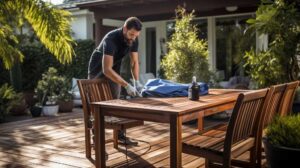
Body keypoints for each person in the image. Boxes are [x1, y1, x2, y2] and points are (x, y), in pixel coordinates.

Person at [88, 17, 143, 145]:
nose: (133, 38)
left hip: (114, 68)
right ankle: (97, 137)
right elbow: (106, 70)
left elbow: (134, 62)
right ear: (124, 29)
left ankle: (119, 135)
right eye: (131, 34)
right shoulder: (111, 38)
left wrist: (137, 81)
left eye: (136, 35)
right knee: (98, 103)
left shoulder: (133, 39)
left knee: (116, 102)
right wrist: (126, 84)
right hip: (98, 69)